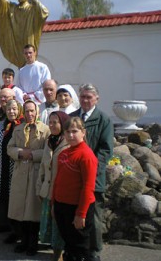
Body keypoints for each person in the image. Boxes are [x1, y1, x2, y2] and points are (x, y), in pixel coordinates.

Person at [69, 84, 113, 261]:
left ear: (97, 99)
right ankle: (74, 249)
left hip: (93, 177)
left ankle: (93, 251)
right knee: (73, 214)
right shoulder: (73, 117)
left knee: (93, 217)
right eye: (83, 97)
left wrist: (91, 169)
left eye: (89, 97)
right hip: (73, 176)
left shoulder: (103, 119)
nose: (85, 100)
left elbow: (105, 150)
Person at [7, 100, 50, 255]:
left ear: (37, 112)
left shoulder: (45, 130)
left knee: (33, 210)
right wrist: (20, 152)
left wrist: (32, 154)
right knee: (21, 210)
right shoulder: (18, 129)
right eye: (27, 111)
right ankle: (23, 241)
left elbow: (47, 151)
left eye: (32, 111)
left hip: (35, 172)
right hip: (20, 173)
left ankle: (33, 243)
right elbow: (9, 148)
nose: (29, 114)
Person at [53, 117, 98, 261]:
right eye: (67, 132)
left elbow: (88, 186)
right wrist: (54, 203)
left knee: (81, 248)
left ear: (83, 132)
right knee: (69, 245)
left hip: (77, 208)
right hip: (62, 205)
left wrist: (81, 214)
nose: (71, 135)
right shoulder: (63, 153)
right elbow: (58, 180)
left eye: (75, 131)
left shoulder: (86, 155)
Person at [0, 99, 23, 240]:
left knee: (14, 198)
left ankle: (16, 231)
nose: (11, 112)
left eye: (14, 109)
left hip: (16, 167)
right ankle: (3, 224)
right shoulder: (1, 125)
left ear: (19, 110)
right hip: (1, 166)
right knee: (0, 195)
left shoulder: (22, 125)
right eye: (8, 109)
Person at [36, 111, 70, 261]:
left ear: (63, 123)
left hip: (61, 192)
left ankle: (60, 254)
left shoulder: (68, 143)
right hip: (47, 190)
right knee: (49, 224)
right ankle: (55, 252)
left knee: (60, 225)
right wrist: (39, 187)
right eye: (50, 122)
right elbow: (43, 167)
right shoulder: (50, 140)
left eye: (55, 122)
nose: (52, 125)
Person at [0, 0, 49, 68]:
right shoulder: (12, 8)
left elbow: (45, 12)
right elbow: (2, 4)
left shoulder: (32, 9)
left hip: (28, 38)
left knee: (29, 61)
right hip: (16, 41)